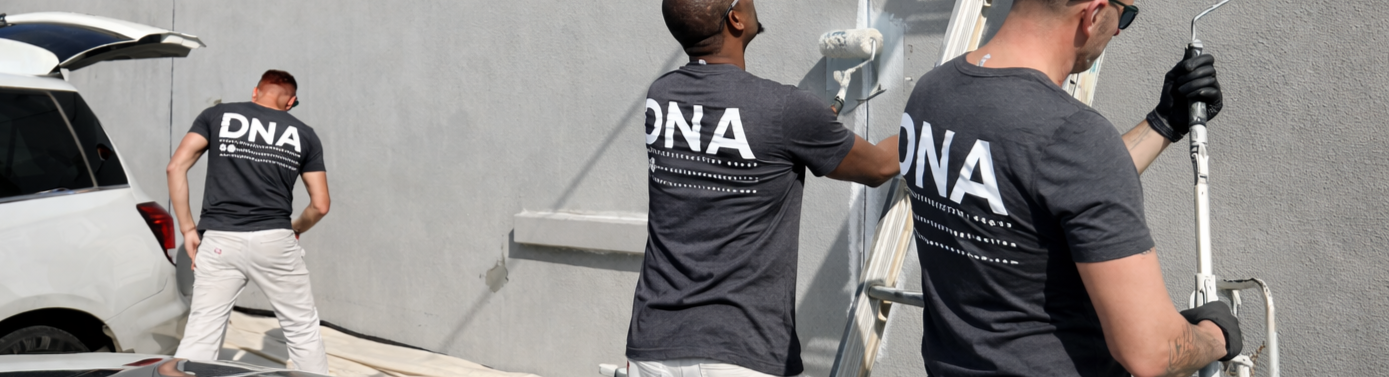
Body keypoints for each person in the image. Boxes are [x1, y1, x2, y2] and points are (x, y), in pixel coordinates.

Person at [896, 0, 1241, 376]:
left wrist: (1163, 124)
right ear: (1092, 14)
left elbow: (1040, 184)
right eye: (1123, 15)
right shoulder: (1074, 135)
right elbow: (1153, 353)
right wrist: (1215, 334)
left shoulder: (931, 95)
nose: (1120, 30)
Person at [625, 1, 900, 376]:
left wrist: (804, 132)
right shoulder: (784, 109)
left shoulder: (661, 95)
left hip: (654, 345)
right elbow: (880, 167)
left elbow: (730, 140)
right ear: (735, 19)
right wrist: (932, 120)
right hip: (740, 353)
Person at [167, 70, 331, 374]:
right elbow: (320, 205)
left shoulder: (216, 115)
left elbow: (175, 167)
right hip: (275, 240)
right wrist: (295, 228)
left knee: (202, 331)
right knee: (301, 328)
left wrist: (189, 228)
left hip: (219, 239)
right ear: (291, 102)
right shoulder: (305, 134)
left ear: (256, 92)